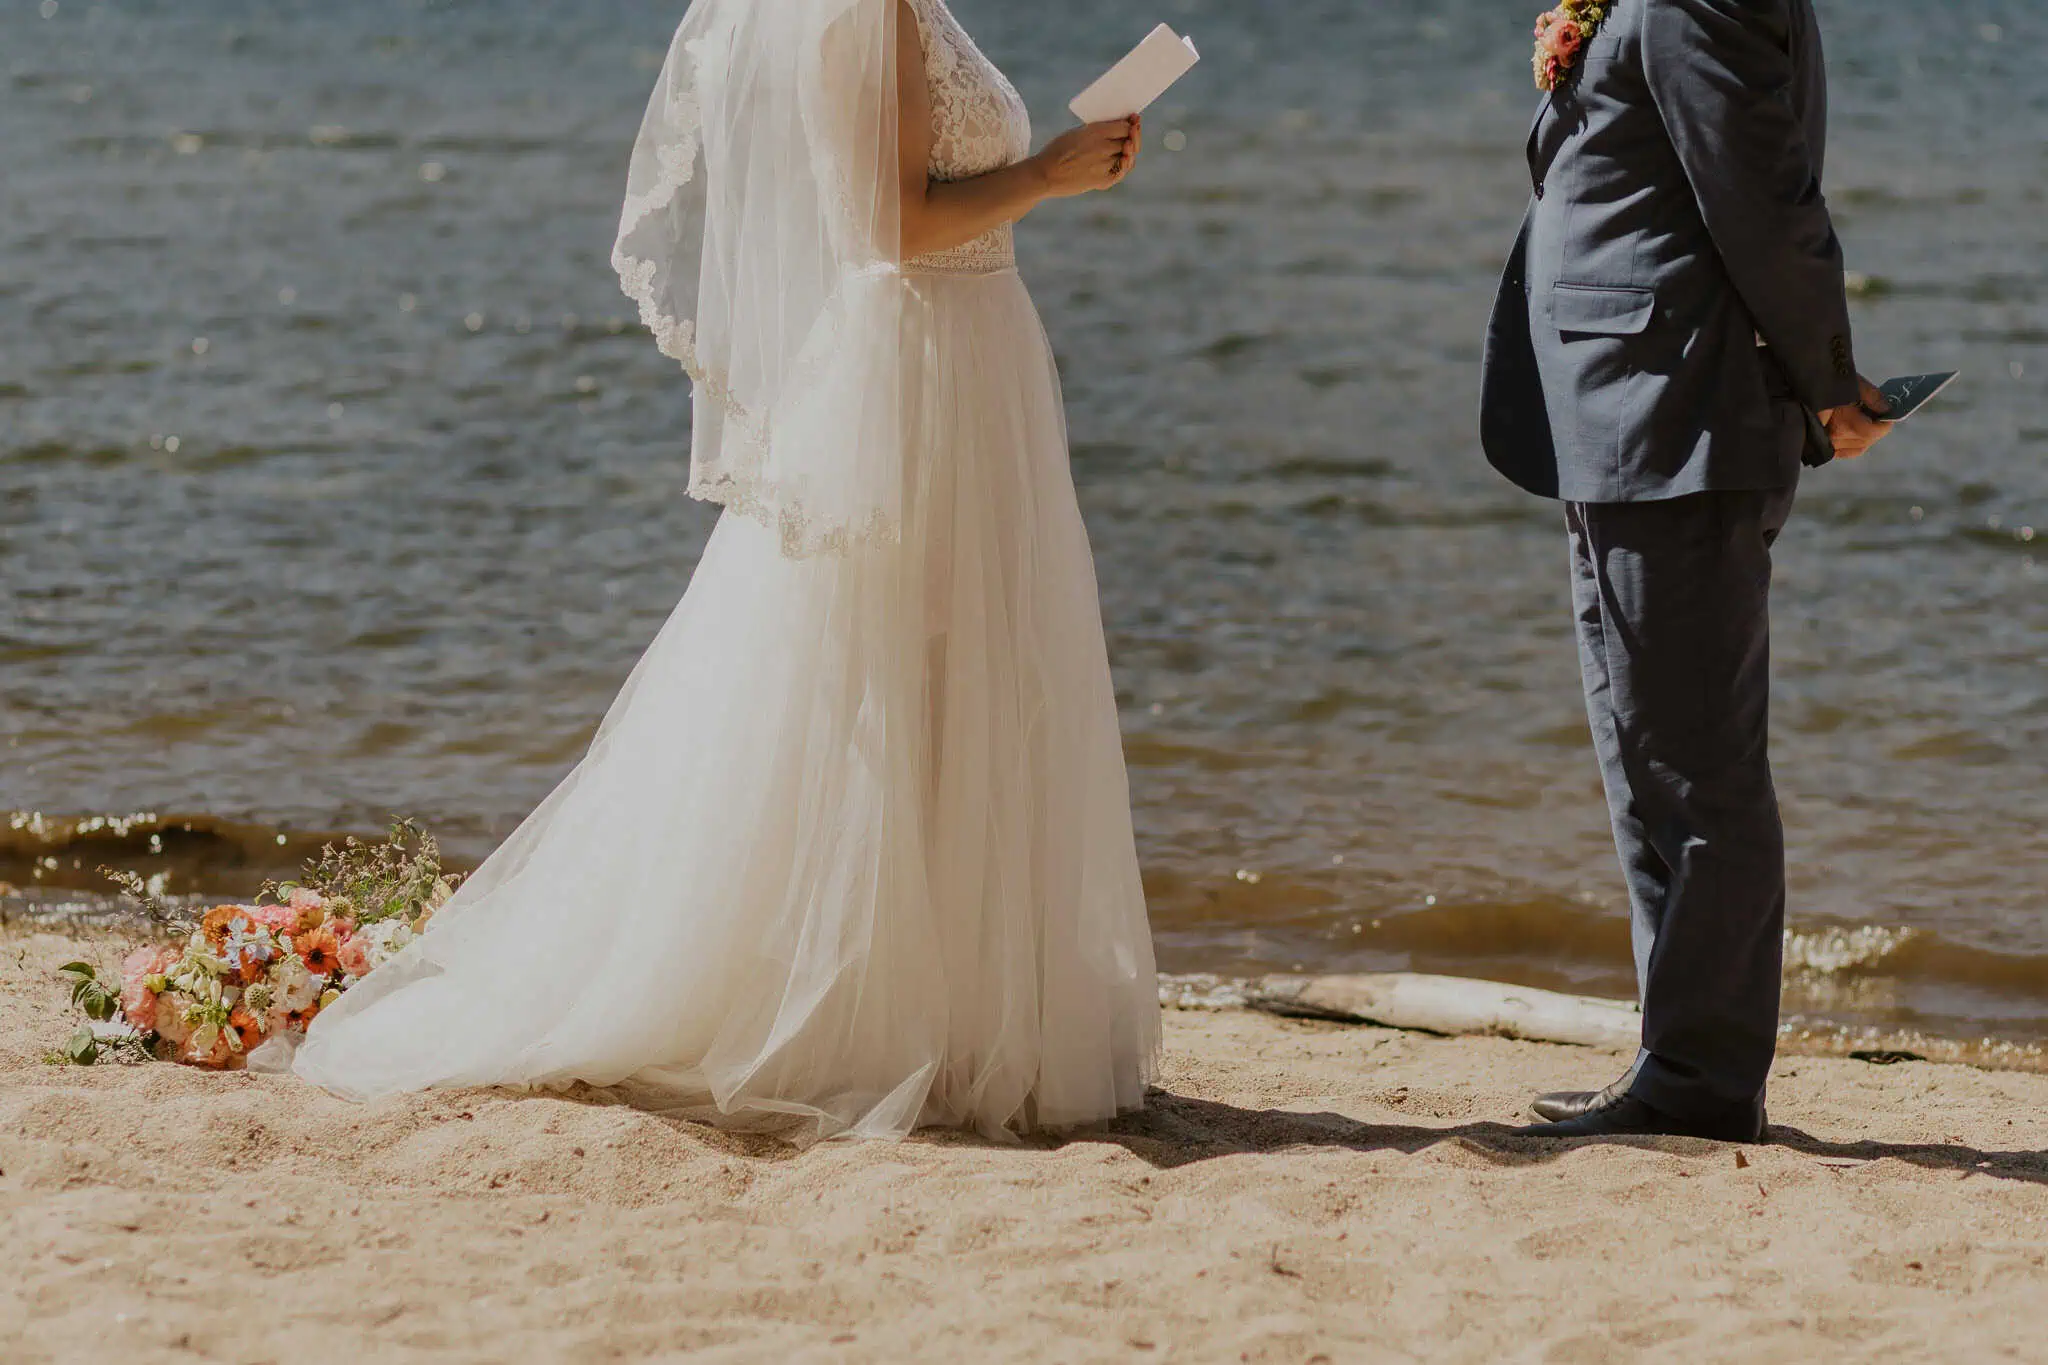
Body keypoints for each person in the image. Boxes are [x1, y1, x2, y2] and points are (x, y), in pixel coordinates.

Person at [274, 0, 1161, 1143]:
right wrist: (1048, 172)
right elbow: (887, 224)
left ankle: (947, 1011)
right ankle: (867, 1014)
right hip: (919, 370)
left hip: (968, 357)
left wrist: (1060, 173)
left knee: (960, 684)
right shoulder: (862, 11)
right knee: (877, 684)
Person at [1479, 0, 1893, 1141]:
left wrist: (1827, 377)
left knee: (1694, 763)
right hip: (1621, 415)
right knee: (1642, 754)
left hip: (1676, 417)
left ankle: (1702, 1082)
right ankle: (1676, 1062)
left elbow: (1760, 197)